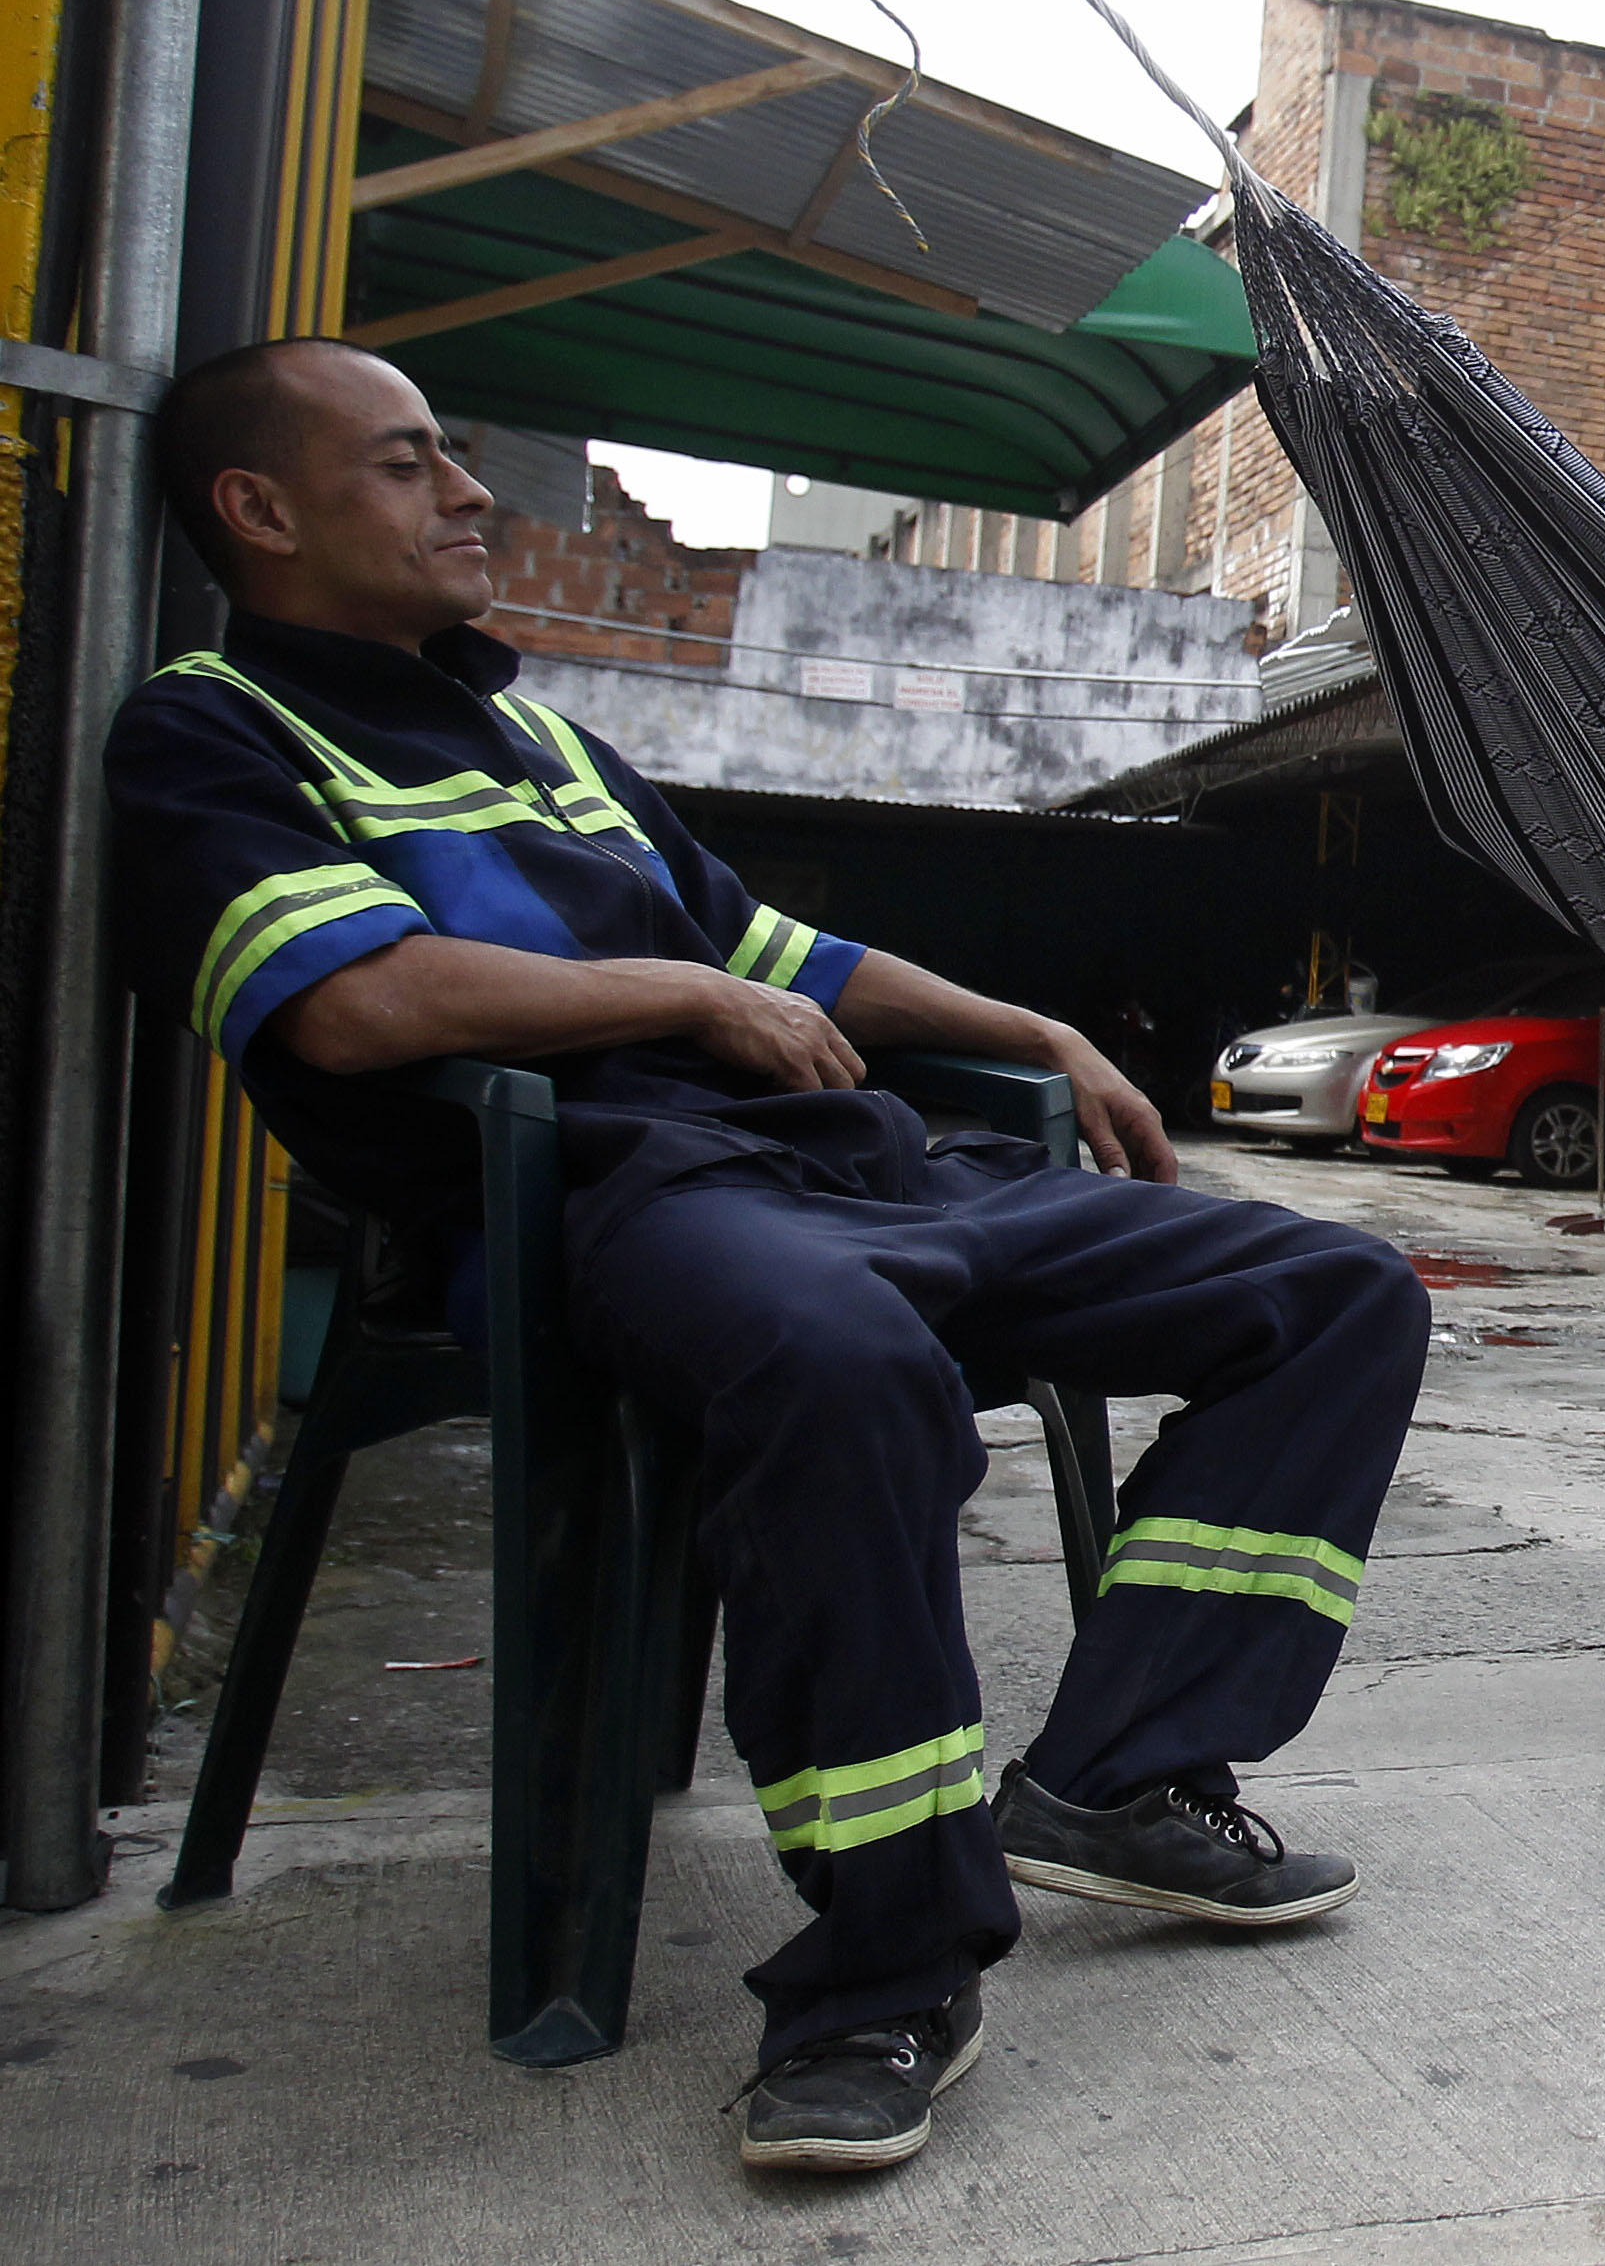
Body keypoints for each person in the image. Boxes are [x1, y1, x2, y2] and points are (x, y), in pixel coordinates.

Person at [107, 340, 1431, 2175]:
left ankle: (1120, 1769)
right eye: (412, 464)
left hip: (849, 1168)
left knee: (1335, 1292)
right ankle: (884, 1969)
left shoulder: (544, 743)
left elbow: (782, 948)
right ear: (258, 508)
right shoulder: (211, 731)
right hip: (606, 1193)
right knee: (840, 1360)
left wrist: (1033, 1027)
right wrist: (675, 995)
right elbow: (351, 1004)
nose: (473, 494)